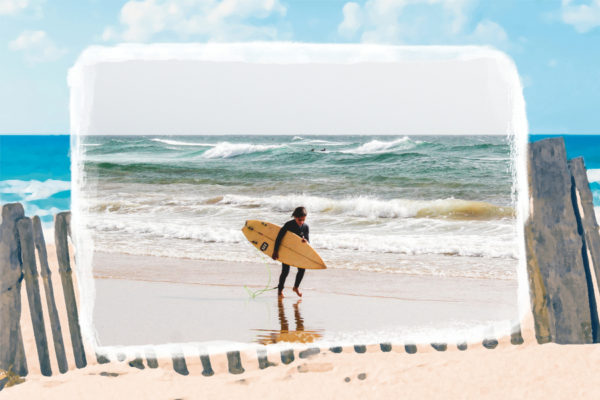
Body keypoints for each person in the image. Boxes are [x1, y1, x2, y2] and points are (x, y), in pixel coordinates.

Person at [272, 206, 309, 298]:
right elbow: (279, 238)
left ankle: (296, 287)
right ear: (295, 217)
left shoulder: (305, 227)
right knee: (285, 271)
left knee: (302, 269)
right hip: (287, 250)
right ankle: (280, 290)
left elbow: (308, 240)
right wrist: (275, 251)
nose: (301, 222)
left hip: (297, 251)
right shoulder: (288, 225)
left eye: (303, 220)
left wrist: (306, 241)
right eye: (299, 219)